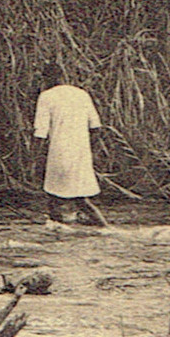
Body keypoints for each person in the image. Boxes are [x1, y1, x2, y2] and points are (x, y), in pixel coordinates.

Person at [34, 63, 107, 226]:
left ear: (45, 78)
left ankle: (61, 230)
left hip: (59, 153)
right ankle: (63, 228)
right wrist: (89, 150)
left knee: (57, 196)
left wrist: (36, 160)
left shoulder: (46, 96)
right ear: (62, 76)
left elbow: (40, 133)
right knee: (77, 197)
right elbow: (96, 127)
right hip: (81, 153)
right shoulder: (81, 94)